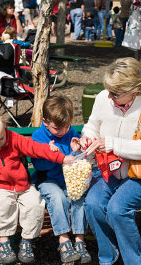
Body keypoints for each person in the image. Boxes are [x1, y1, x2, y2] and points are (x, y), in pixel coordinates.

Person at [79, 57, 141, 265]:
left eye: (116, 93)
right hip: (108, 171)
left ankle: (134, 260)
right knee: (92, 204)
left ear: (134, 90)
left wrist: (111, 144)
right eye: (108, 90)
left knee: (118, 209)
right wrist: (87, 137)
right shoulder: (104, 97)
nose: (109, 96)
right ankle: (108, 258)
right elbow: (92, 126)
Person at [0, 109, 75, 264]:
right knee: (1, 205)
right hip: (0, 186)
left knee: (35, 204)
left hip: (24, 185)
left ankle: (27, 241)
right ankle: (3, 241)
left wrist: (61, 158)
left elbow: (35, 148)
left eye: (0, 139)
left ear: (5, 128)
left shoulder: (13, 139)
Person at [31, 96, 91, 264]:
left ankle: (79, 240)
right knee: (58, 198)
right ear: (45, 121)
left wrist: (75, 151)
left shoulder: (70, 132)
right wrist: (51, 154)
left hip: (68, 181)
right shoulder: (39, 136)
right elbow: (39, 165)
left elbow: (74, 160)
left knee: (78, 198)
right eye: (58, 128)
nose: (63, 131)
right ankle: (64, 240)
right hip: (48, 180)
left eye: (67, 126)